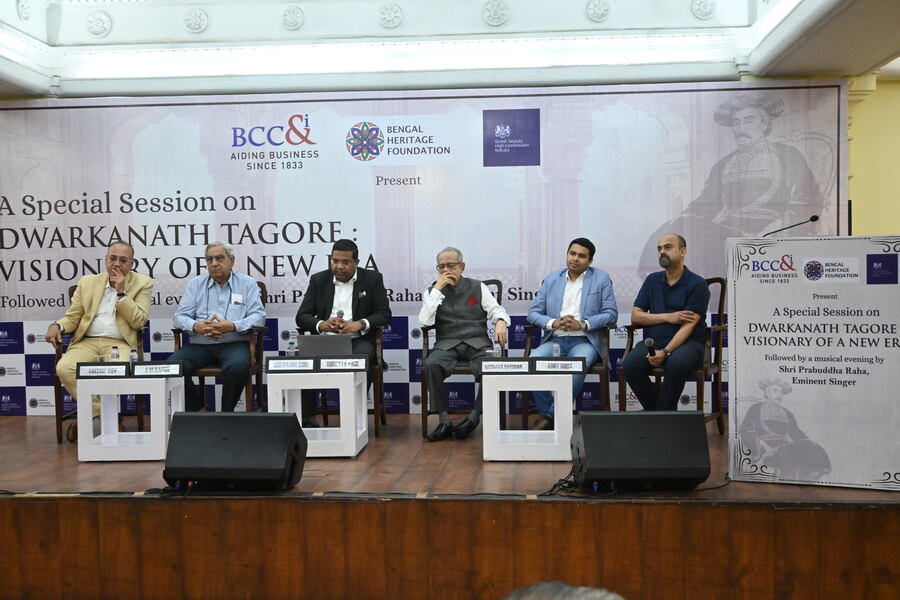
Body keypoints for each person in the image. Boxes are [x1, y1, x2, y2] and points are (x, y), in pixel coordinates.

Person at [639, 92, 826, 278]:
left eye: (748, 120)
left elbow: (808, 199)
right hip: (728, 230)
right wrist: (681, 220)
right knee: (676, 228)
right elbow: (706, 203)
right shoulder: (724, 164)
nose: (740, 127)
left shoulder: (787, 155)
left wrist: (776, 227)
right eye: (736, 122)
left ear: (765, 123)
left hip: (773, 230)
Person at [47, 241, 154, 441]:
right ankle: (102, 416)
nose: (116, 264)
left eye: (123, 260)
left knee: (117, 370)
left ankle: (90, 418)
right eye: (113, 258)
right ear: (105, 260)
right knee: (65, 368)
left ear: (131, 264)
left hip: (118, 343)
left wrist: (121, 293)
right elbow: (73, 317)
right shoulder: (87, 282)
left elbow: (139, 320)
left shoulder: (143, 283)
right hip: (86, 342)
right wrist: (57, 326)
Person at [295, 239, 392, 427]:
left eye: (345, 262)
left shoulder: (372, 279)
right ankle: (307, 420)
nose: (339, 266)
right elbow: (302, 317)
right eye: (335, 261)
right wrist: (322, 324)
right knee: (304, 359)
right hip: (325, 341)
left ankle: (353, 418)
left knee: (362, 357)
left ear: (356, 262)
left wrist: (359, 324)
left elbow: (384, 314)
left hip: (358, 340)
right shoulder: (319, 280)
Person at [418, 247, 509, 442]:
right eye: (441, 267)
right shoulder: (431, 291)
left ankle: (474, 417)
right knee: (430, 364)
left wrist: (501, 321)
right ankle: (443, 420)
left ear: (462, 266)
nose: (446, 270)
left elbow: (496, 309)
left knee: (491, 366)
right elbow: (424, 322)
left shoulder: (478, 287)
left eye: (451, 265)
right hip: (446, 344)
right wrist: (437, 290)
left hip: (477, 344)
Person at [526, 238, 618, 429]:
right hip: (556, 338)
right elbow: (533, 314)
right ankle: (547, 415)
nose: (575, 259)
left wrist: (582, 324)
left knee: (577, 365)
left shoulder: (601, 279)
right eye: (572, 254)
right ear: (567, 254)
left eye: (582, 256)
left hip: (585, 340)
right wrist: (554, 322)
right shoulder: (552, 279)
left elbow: (611, 314)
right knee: (534, 359)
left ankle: (551, 417)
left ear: (590, 261)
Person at [169, 241, 265, 412]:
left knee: (237, 367)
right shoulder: (195, 284)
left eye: (219, 258)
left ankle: (226, 414)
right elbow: (179, 317)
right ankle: (197, 409)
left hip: (234, 344)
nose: (214, 263)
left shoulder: (248, 283)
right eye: (209, 259)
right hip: (201, 345)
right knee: (172, 367)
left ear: (232, 261)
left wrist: (233, 326)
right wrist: (196, 326)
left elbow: (259, 318)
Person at [623, 234, 709, 411]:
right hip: (656, 341)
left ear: (683, 251)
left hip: (689, 343)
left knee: (676, 363)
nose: (662, 252)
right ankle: (661, 415)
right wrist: (668, 317)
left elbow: (688, 326)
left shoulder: (697, 284)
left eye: (668, 247)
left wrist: (666, 352)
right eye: (659, 248)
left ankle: (661, 417)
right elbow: (636, 316)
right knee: (630, 364)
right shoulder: (652, 280)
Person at [738, 378, 831, 480]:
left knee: (808, 445)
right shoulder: (756, 408)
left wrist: (807, 441)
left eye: (781, 392)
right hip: (765, 450)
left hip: (785, 447)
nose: (779, 395)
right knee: (791, 454)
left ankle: (806, 478)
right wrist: (759, 443)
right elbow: (745, 429)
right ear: (767, 393)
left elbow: (796, 433)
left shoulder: (787, 413)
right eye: (775, 391)